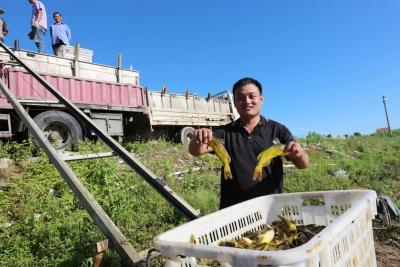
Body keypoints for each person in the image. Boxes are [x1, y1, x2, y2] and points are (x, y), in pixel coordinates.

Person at [189, 77, 309, 209]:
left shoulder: (277, 130)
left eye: (252, 96)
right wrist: (198, 137)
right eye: (240, 97)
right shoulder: (224, 132)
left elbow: (303, 164)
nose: (247, 101)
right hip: (233, 210)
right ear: (234, 102)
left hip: (270, 209)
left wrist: (299, 153)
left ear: (261, 99)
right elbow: (195, 151)